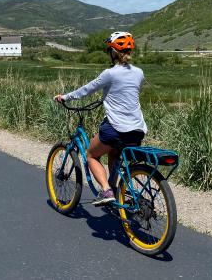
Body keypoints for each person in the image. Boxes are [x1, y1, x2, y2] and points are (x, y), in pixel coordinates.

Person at [54, 32, 147, 206]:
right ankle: (115, 189)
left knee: (91, 155)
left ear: (113, 52)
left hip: (116, 129)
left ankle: (106, 190)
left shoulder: (109, 74)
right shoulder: (139, 73)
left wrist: (65, 97)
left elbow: (86, 90)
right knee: (113, 153)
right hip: (137, 130)